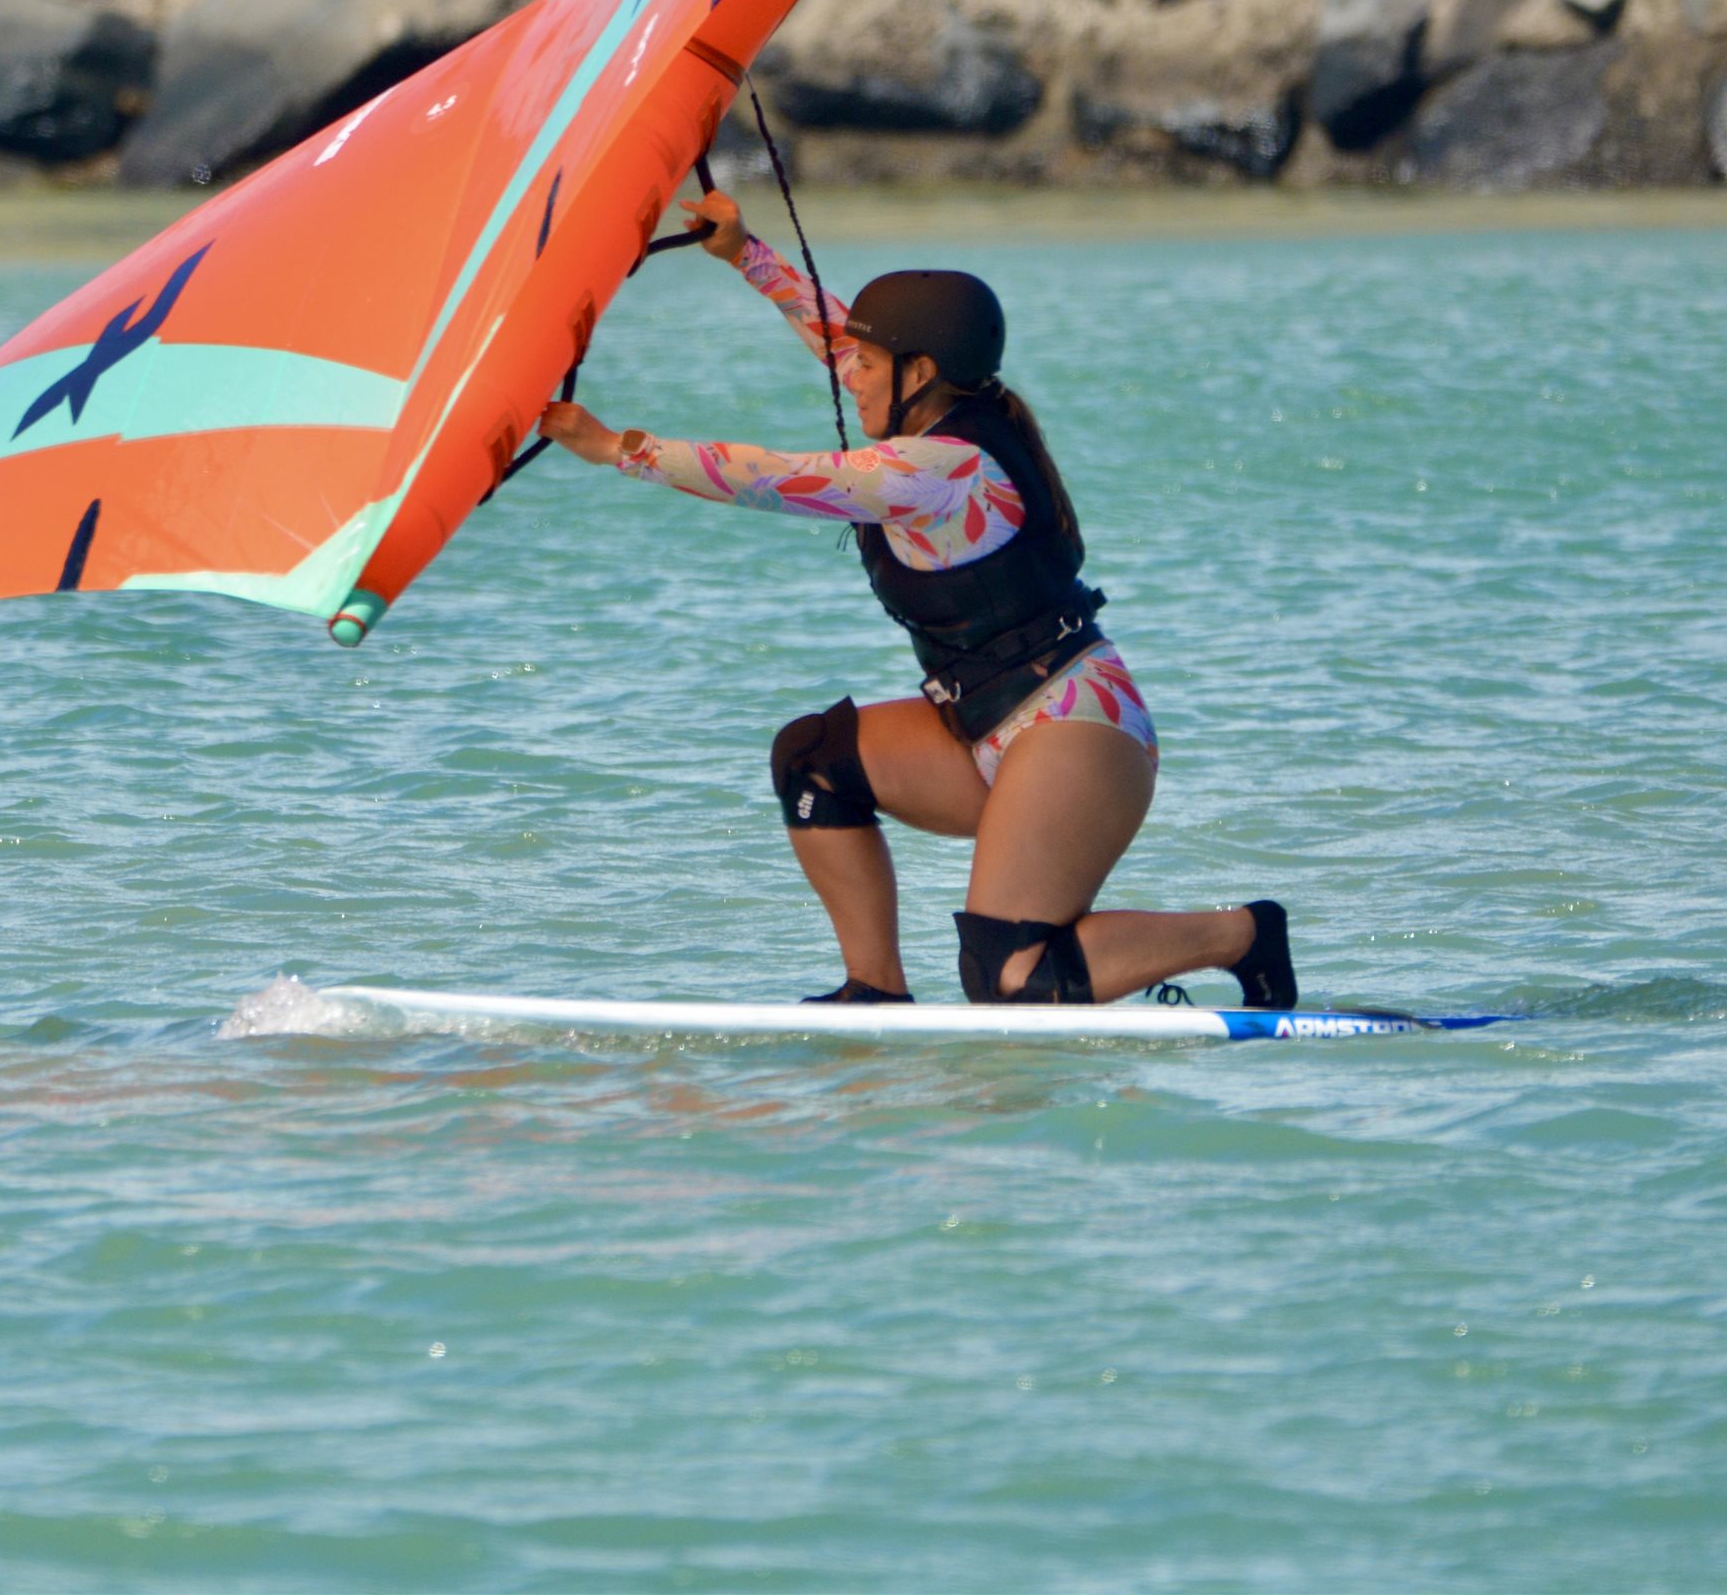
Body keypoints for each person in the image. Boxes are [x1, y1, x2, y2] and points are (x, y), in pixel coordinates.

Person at [536, 190, 1296, 1009]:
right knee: (814, 760)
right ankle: (874, 989)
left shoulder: (941, 471)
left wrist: (620, 450)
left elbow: (773, 477)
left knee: (1012, 978)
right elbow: (838, 337)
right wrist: (745, 255)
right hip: (980, 728)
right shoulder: (937, 405)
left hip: (1075, 728)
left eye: (867, 366)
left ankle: (1243, 934)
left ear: (921, 373)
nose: (849, 375)